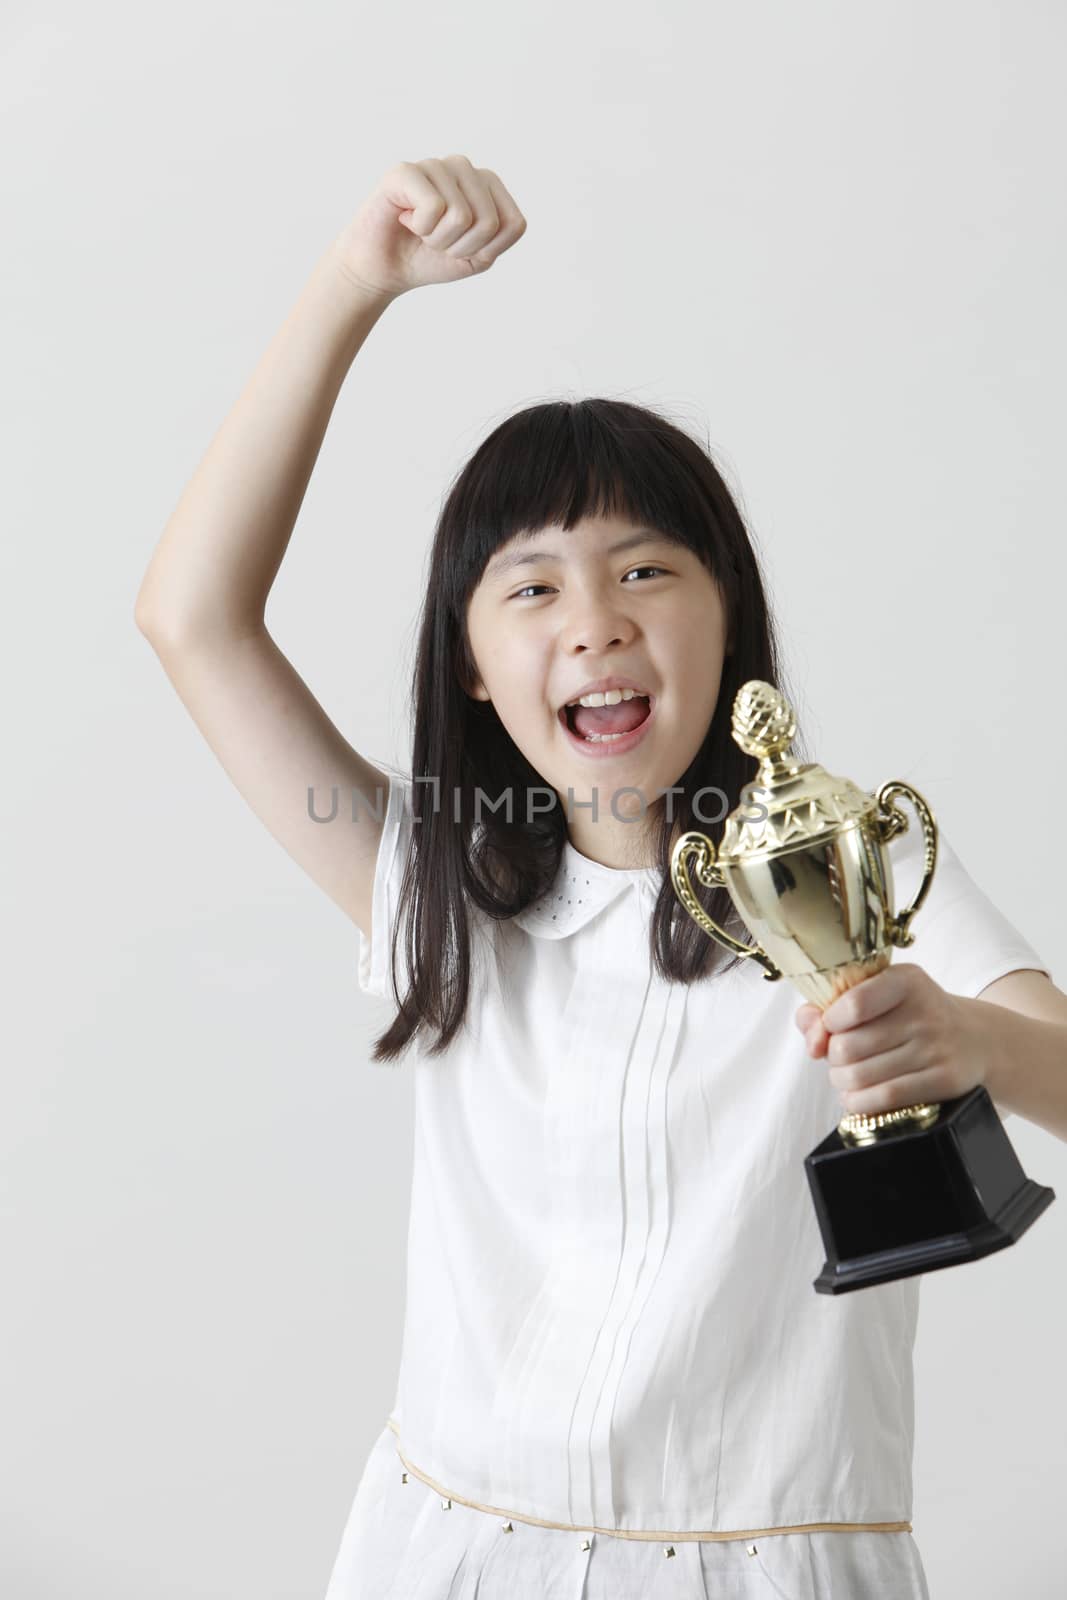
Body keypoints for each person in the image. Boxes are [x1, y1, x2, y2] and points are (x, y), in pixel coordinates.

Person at [134, 154, 1065, 1599]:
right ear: (475, 665)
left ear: (728, 616)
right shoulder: (434, 890)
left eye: (646, 572)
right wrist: (352, 284)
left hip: (771, 1563)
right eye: (533, 585)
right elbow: (191, 616)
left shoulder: (846, 859)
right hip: (452, 1549)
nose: (594, 624)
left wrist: (969, 1039)